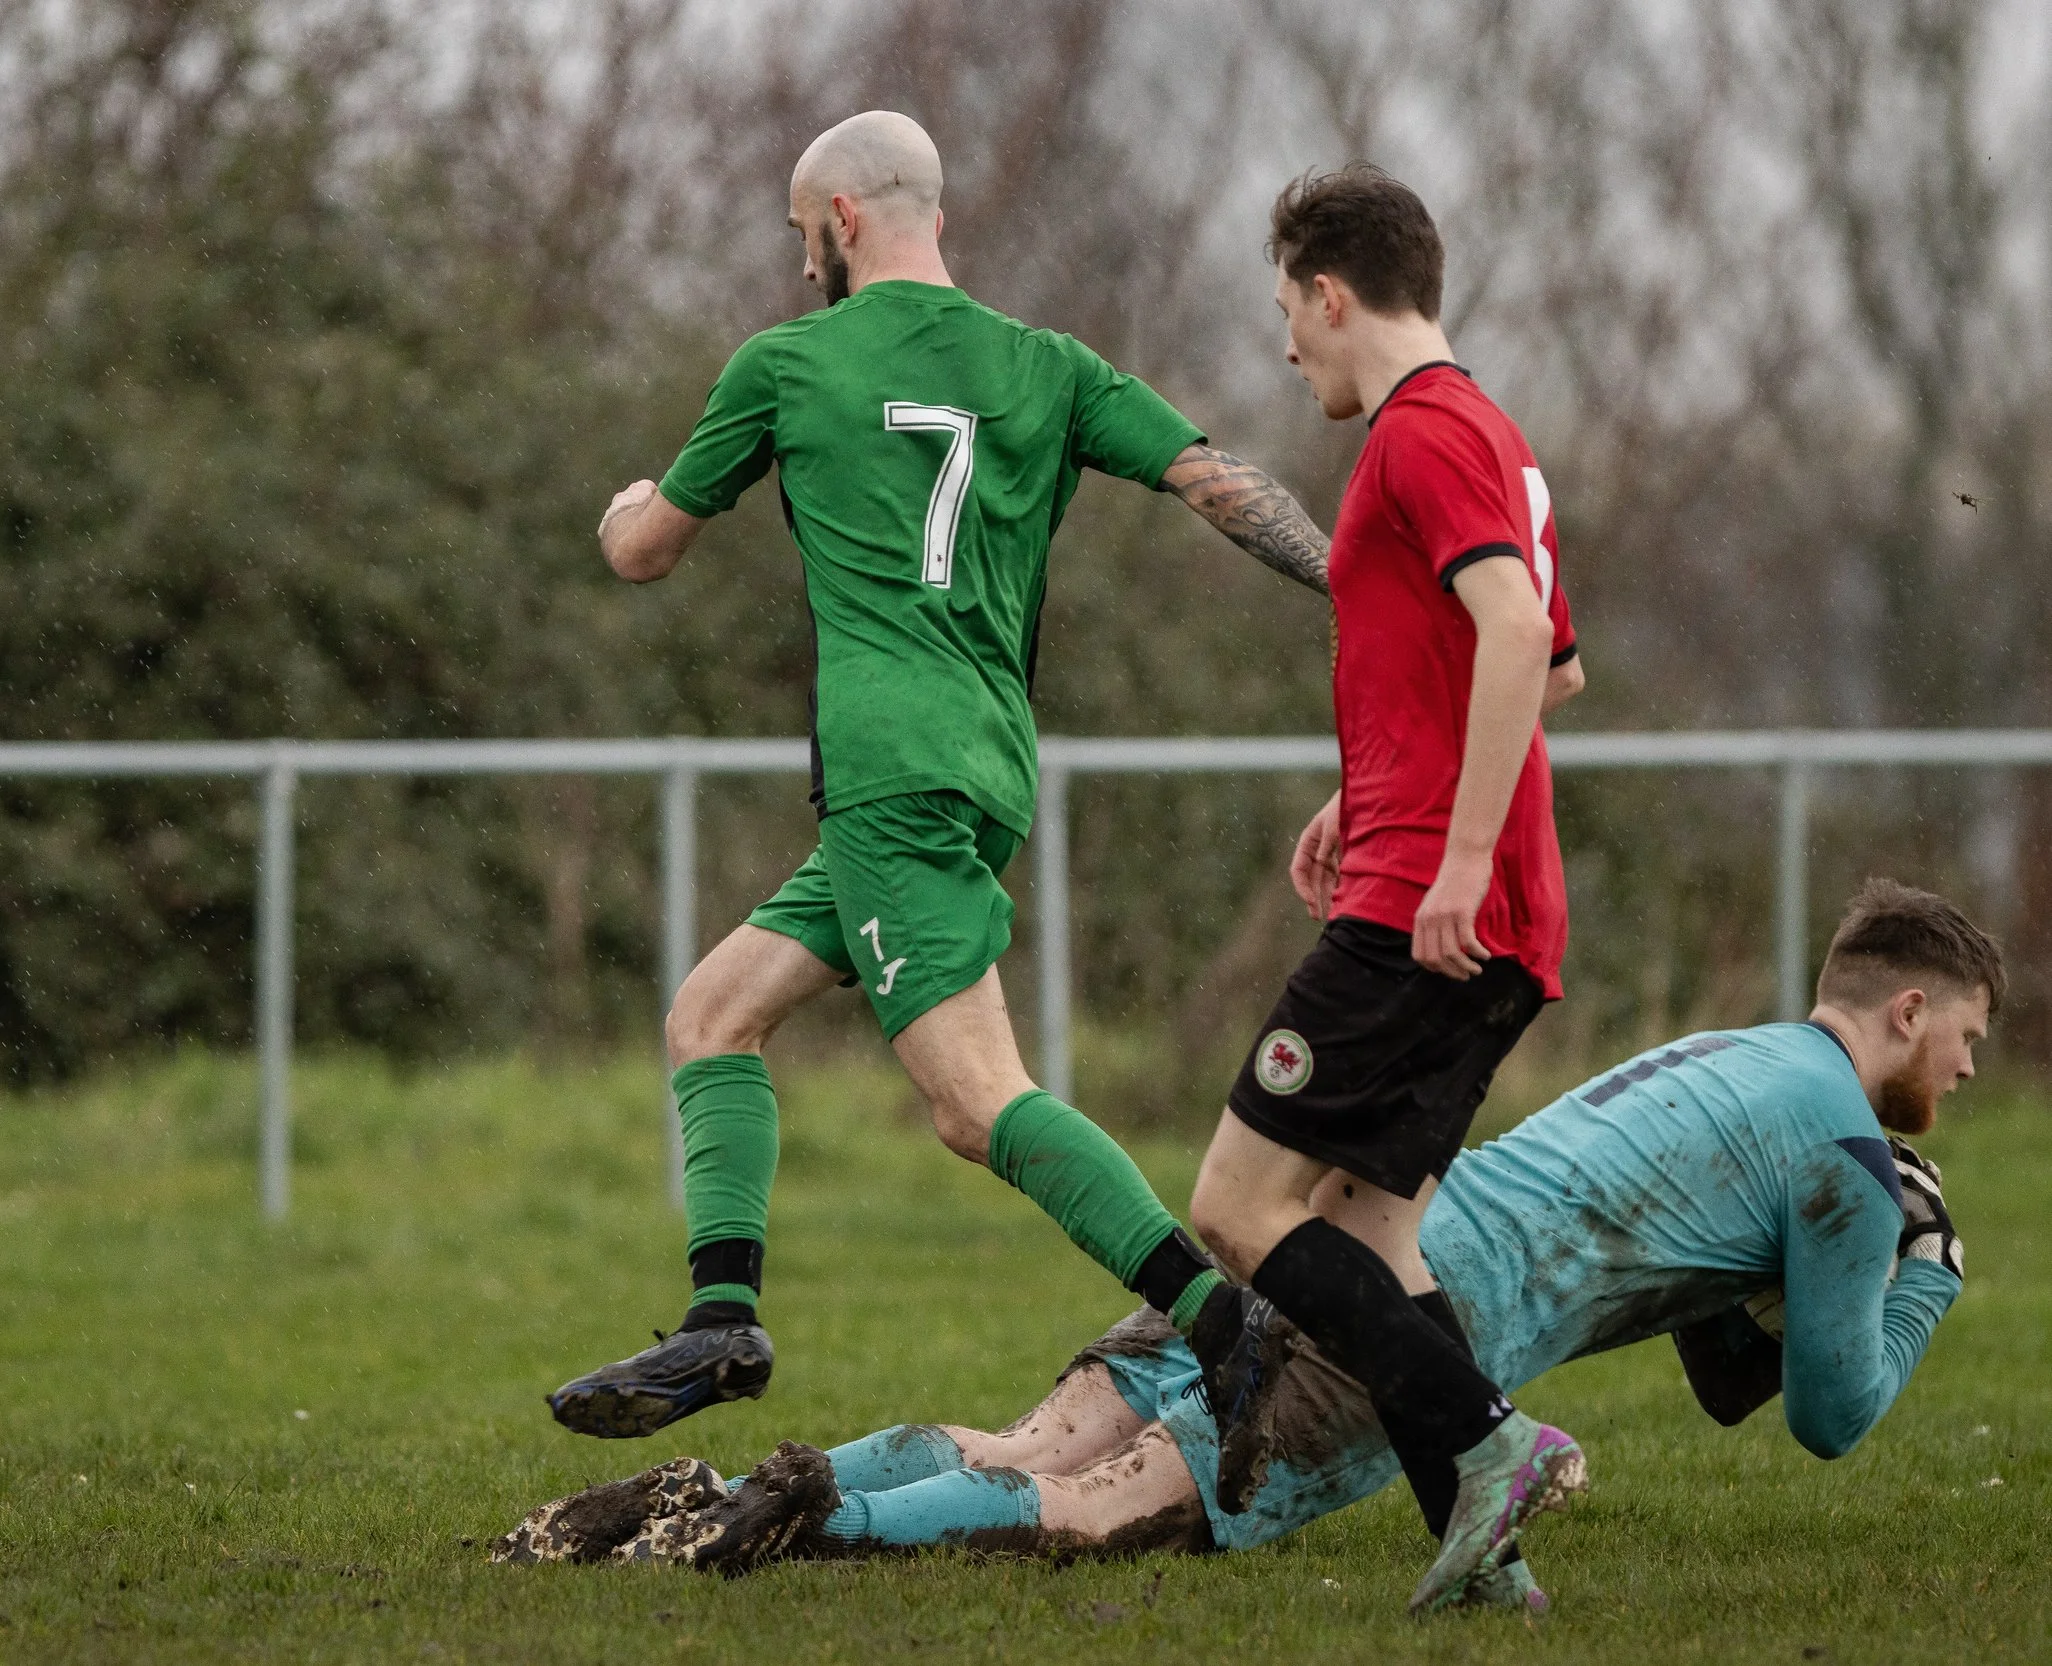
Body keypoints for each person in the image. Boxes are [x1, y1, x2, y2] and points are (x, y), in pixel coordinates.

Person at [496, 879, 1986, 1615]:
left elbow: (1722, 1359)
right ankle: (773, 1522)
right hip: (1421, 1320)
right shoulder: (1846, 1154)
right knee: (1097, 1518)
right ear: (1908, 1011)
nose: (1974, 1073)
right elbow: (1831, 1413)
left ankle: (723, 1486)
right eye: (1973, 1038)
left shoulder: (1742, 1057)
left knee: (1031, 1444)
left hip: (1332, 1238)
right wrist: (1925, 1281)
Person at [552, 112, 1335, 1439]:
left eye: (805, 232)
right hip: (976, 767)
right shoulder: (1049, 365)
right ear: (937, 218)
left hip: (887, 772)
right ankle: (720, 1319)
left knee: (978, 1106)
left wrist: (625, 501)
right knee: (713, 1015)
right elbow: (1218, 483)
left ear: (846, 220)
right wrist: (1354, 579)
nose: (804, 257)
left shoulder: (787, 364)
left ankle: (1227, 1328)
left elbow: (644, 553)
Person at [1172, 163, 1586, 1613]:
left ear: (1332, 294)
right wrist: (1369, 789)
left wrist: (1452, 855)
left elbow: (1522, 633)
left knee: (1236, 1202)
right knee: (1369, 1232)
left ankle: (1492, 1444)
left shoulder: (1421, 436)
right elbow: (1543, 655)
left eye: (1288, 310)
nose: (1287, 345)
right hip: (1452, 882)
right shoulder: (1485, 432)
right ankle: (1486, 1567)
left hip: (1435, 907)